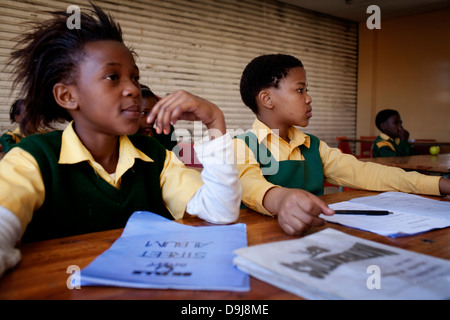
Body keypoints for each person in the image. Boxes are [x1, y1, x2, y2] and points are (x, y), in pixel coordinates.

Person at [0, 4, 240, 277]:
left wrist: (214, 120)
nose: (132, 89)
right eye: (112, 77)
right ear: (67, 96)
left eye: (135, 77)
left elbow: (221, 213)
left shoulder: (155, 156)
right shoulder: (33, 158)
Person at [234, 53, 450, 236]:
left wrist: (439, 185)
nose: (309, 98)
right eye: (300, 90)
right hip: (263, 239)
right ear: (267, 99)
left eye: (307, 90)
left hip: (316, 235)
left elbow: (365, 173)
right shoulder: (241, 146)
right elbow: (249, 185)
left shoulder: (313, 146)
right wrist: (281, 200)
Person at [138, 84, 177, 150]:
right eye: (144, 113)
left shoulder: (160, 136)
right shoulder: (123, 138)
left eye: (154, 113)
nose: (151, 119)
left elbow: (174, 157)